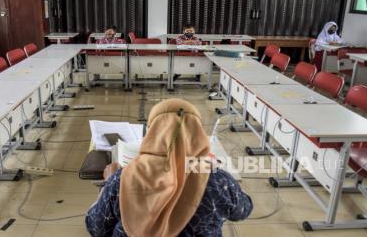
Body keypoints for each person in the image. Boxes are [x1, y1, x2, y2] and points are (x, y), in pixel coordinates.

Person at [86, 98, 253, 236]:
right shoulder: (218, 181)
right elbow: (243, 210)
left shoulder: (122, 179)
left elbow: (96, 228)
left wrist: (110, 184)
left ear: (153, 134)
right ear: (197, 133)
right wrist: (225, 179)